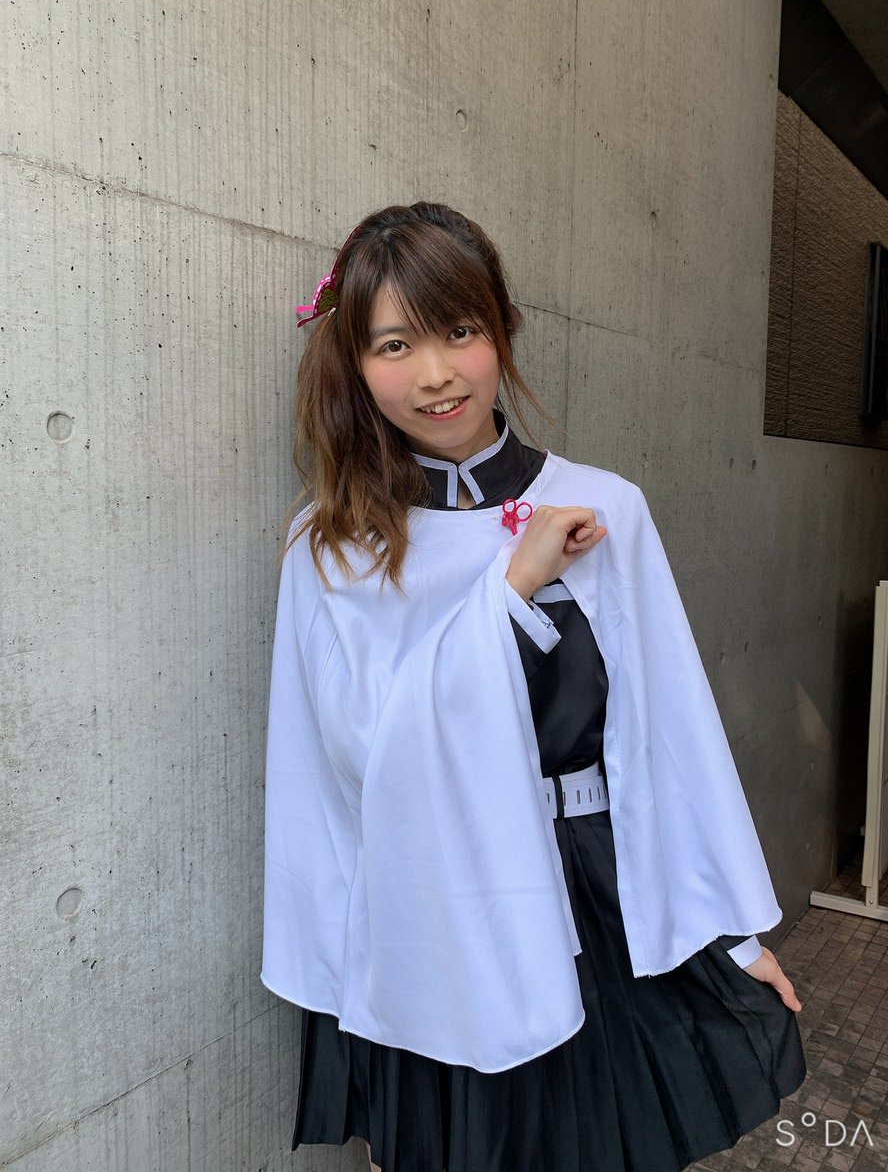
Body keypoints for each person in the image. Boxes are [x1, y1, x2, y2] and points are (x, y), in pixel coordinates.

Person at [261, 202, 807, 1172]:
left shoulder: (605, 509)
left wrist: (732, 934)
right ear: (355, 361)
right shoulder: (330, 544)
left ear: (503, 329)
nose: (436, 374)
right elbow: (356, 765)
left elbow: (672, 739)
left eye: (460, 331)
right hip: (435, 906)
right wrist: (510, 589)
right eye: (395, 345)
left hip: (597, 890)